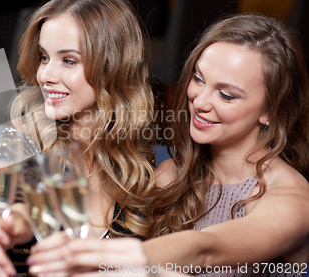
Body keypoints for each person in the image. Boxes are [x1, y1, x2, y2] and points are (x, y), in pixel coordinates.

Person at [25, 14, 309, 276]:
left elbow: (206, 249)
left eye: (226, 95)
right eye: (198, 79)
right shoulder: (169, 176)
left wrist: (114, 258)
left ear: (270, 110)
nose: (200, 101)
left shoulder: (293, 199)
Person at [0, 0, 157, 277]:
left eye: (69, 61)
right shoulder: (17, 147)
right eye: (43, 57)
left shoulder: (147, 174)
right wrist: (12, 225)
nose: (45, 75)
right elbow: (18, 217)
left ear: (112, 68)